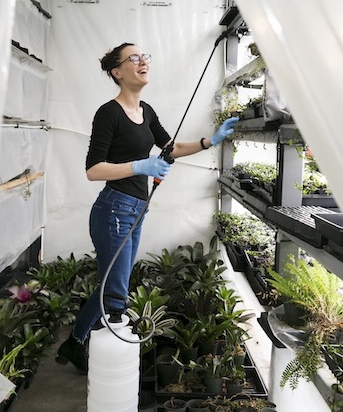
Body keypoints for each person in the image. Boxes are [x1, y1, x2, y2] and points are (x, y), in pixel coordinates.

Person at [55, 42, 239, 373]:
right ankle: (111, 362)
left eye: (145, 57)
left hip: (136, 210)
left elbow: (170, 148)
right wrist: (140, 167)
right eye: (134, 58)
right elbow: (93, 169)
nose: (143, 62)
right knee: (116, 292)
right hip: (113, 210)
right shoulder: (108, 113)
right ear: (117, 72)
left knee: (111, 280)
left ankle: (75, 342)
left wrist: (211, 140)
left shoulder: (148, 111)